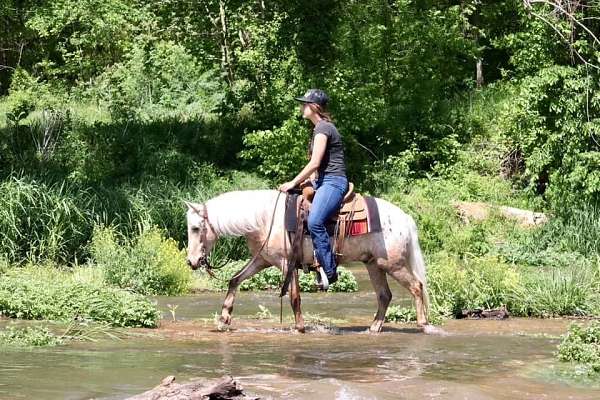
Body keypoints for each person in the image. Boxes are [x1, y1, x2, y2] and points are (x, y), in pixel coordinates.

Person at [278, 88, 348, 290]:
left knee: (315, 220)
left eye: (305, 104)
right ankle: (305, 255)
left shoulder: (323, 128)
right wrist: (303, 184)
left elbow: (315, 163)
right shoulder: (318, 128)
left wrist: (292, 182)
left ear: (314, 107)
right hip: (323, 181)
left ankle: (329, 270)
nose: (302, 107)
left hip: (334, 182)